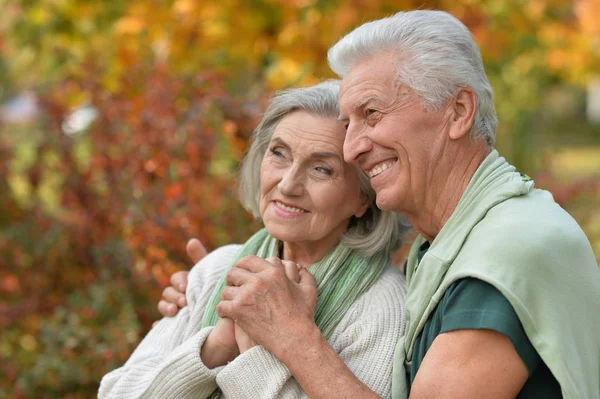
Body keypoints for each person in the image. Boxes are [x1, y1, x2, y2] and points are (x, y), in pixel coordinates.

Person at [160, 10, 600, 399]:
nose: (351, 148)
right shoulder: (463, 237)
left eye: (371, 114)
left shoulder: (509, 250)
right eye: (348, 123)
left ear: (459, 111)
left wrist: (293, 336)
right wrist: (207, 300)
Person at [98, 80, 411, 399]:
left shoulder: (382, 306)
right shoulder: (219, 267)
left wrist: (255, 354)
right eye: (279, 154)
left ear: (364, 197)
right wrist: (217, 347)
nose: (288, 185)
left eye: (321, 169)